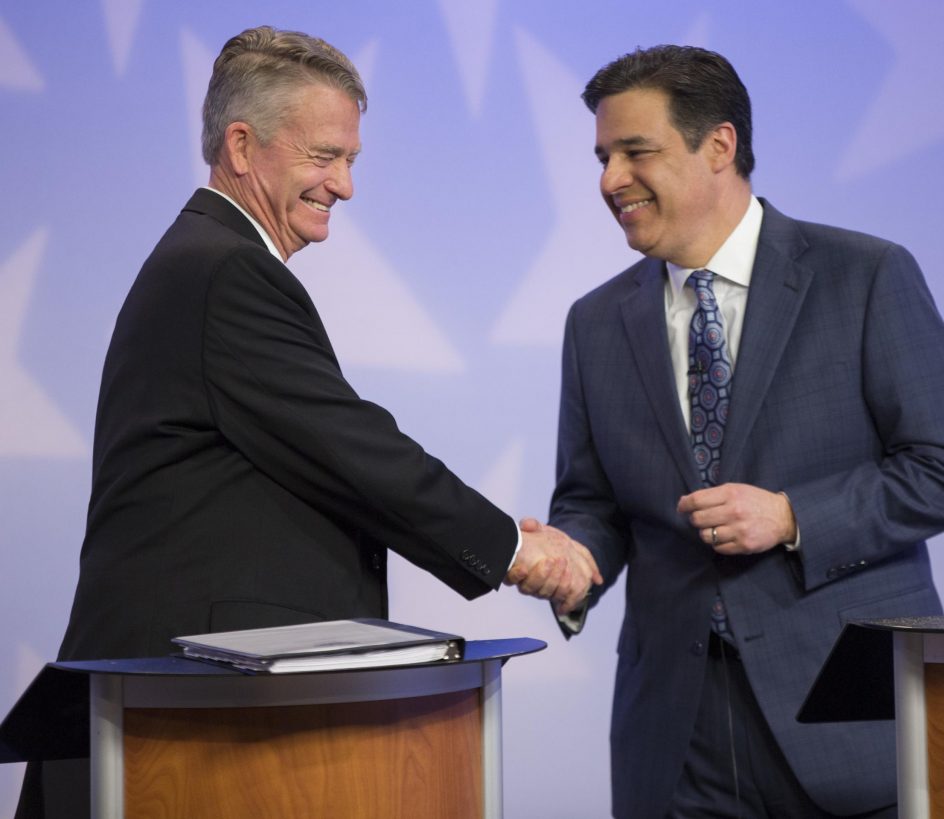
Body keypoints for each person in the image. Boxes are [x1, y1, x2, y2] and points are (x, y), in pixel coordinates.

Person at [16, 26, 598, 818]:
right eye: (325, 156)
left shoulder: (208, 260)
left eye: (351, 159)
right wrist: (516, 550)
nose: (345, 186)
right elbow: (356, 452)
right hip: (185, 721)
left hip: (192, 719)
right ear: (242, 145)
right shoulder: (224, 271)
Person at [518, 44, 944, 818]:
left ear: (719, 145)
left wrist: (793, 515)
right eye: (603, 158)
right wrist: (577, 560)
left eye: (635, 151)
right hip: (677, 740)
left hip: (845, 716)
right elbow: (593, 500)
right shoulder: (594, 322)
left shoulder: (865, 275)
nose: (609, 180)